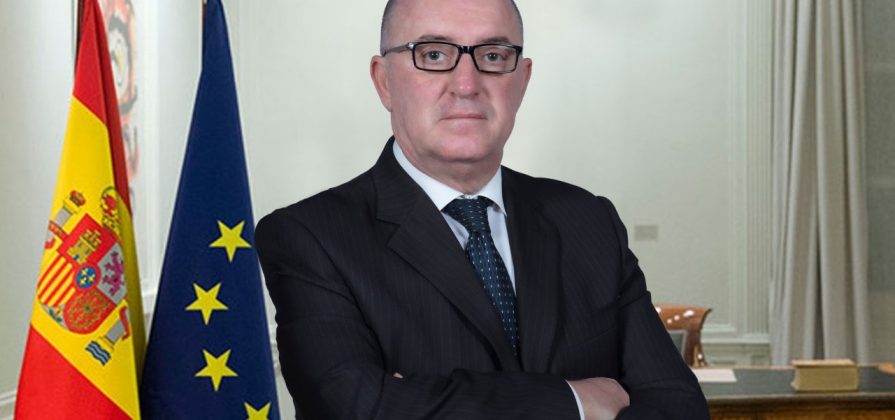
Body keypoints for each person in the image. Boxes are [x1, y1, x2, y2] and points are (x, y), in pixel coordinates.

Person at [255, 0, 710, 418]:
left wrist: (422, 400)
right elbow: (354, 408)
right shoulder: (310, 236)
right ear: (384, 81)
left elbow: (679, 406)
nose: (467, 84)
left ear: (523, 81)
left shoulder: (587, 220)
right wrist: (574, 401)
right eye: (434, 55)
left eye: (492, 56)